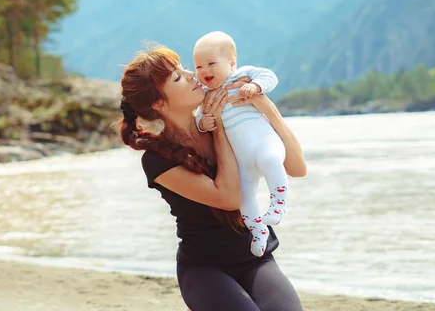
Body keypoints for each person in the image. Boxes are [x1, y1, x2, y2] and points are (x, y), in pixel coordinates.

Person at [119, 45, 307, 311]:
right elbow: (229, 198)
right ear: (159, 103)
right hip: (204, 268)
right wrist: (219, 131)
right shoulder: (157, 159)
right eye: (177, 77)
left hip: (255, 255)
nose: (191, 75)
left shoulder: (227, 119)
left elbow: (297, 168)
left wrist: (264, 106)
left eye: (184, 68)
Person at [193, 31, 289, 257]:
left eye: (211, 64)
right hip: (241, 161)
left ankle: (278, 202)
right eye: (198, 67)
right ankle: (258, 230)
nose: (204, 71)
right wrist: (202, 123)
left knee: (271, 160)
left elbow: (269, 76)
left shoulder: (243, 75)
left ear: (232, 62)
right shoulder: (205, 95)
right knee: (244, 195)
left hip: (264, 142)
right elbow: (197, 116)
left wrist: (256, 87)